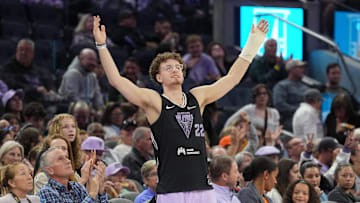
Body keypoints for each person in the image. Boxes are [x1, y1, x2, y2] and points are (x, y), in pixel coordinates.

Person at [93, 15, 269, 202]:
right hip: (171, 191)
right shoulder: (155, 102)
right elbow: (117, 81)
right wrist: (102, 46)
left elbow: (232, 78)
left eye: (178, 67)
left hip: (203, 189)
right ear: (158, 77)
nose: (175, 70)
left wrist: (252, 46)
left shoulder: (197, 97)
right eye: (168, 68)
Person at [38, 147, 108, 202]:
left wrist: (101, 191)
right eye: (60, 159)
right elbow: (90, 198)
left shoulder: (76, 187)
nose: (68, 161)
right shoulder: (46, 192)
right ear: (50, 170)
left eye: (66, 157)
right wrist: (92, 193)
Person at [273, 59, 309, 131]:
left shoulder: (306, 87)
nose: (303, 70)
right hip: (288, 122)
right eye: (300, 68)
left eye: (303, 68)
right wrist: (298, 110)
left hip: (305, 121)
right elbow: (279, 104)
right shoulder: (282, 86)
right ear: (291, 69)